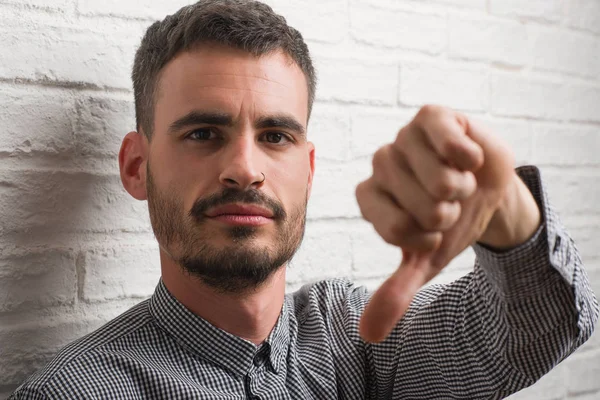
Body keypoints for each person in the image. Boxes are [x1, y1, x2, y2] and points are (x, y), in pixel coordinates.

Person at [10, 0, 598, 399]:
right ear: (137, 167)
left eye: (275, 136)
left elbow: (540, 326)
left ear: (309, 169)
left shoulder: (355, 336)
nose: (245, 168)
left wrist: (504, 215)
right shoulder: (77, 390)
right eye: (203, 133)